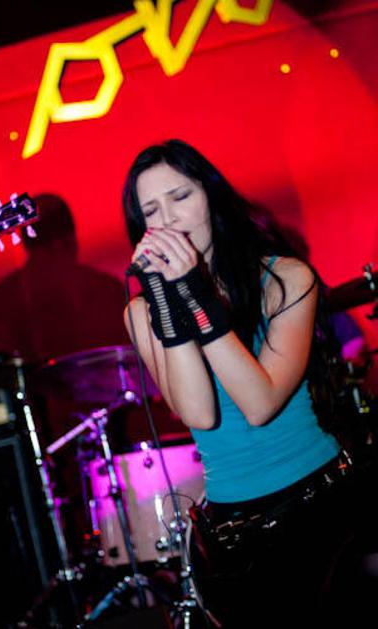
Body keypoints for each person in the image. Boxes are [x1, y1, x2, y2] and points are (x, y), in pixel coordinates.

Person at [121, 139, 361, 625]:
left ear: (210, 197)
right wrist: (169, 300)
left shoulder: (285, 278)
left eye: (180, 196)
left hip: (324, 504)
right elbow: (199, 413)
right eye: (151, 211)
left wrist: (195, 294)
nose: (168, 219)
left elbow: (260, 401)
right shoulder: (143, 312)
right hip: (236, 527)